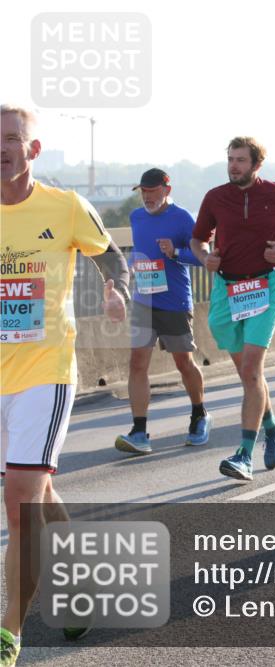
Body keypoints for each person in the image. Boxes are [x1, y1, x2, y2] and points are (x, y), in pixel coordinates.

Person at [1, 105, 129, 666]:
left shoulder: (65, 206)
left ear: (33, 150)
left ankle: (9, 632)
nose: (1, 148)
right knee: (40, 491)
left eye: (12, 139)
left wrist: (117, 288)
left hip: (45, 371)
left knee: (19, 500)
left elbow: (114, 257)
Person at [191, 136, 275, 482]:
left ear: (256, 164)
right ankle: (274, 424)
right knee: (246, 374)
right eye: (230, 159)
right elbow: (198, 239)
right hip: (226, 290)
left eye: (241, 160)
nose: (233, 166)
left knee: (253, 372)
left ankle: (244, 454)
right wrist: (204, 257)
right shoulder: (215, 197)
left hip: (264, 287)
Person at [115, 168, 210, 455]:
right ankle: (139, 430)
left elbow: (203, 255)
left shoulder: (182, 218)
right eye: (143, 192)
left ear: (166, 190)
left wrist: (177, 253)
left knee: (183, 363)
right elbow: (139, 250)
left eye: (152, 191)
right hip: (145, 301)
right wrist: (131, 266)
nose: (147, 197)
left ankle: (199, 415)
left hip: (174, 302)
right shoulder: (136, 217)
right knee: (137, 363)